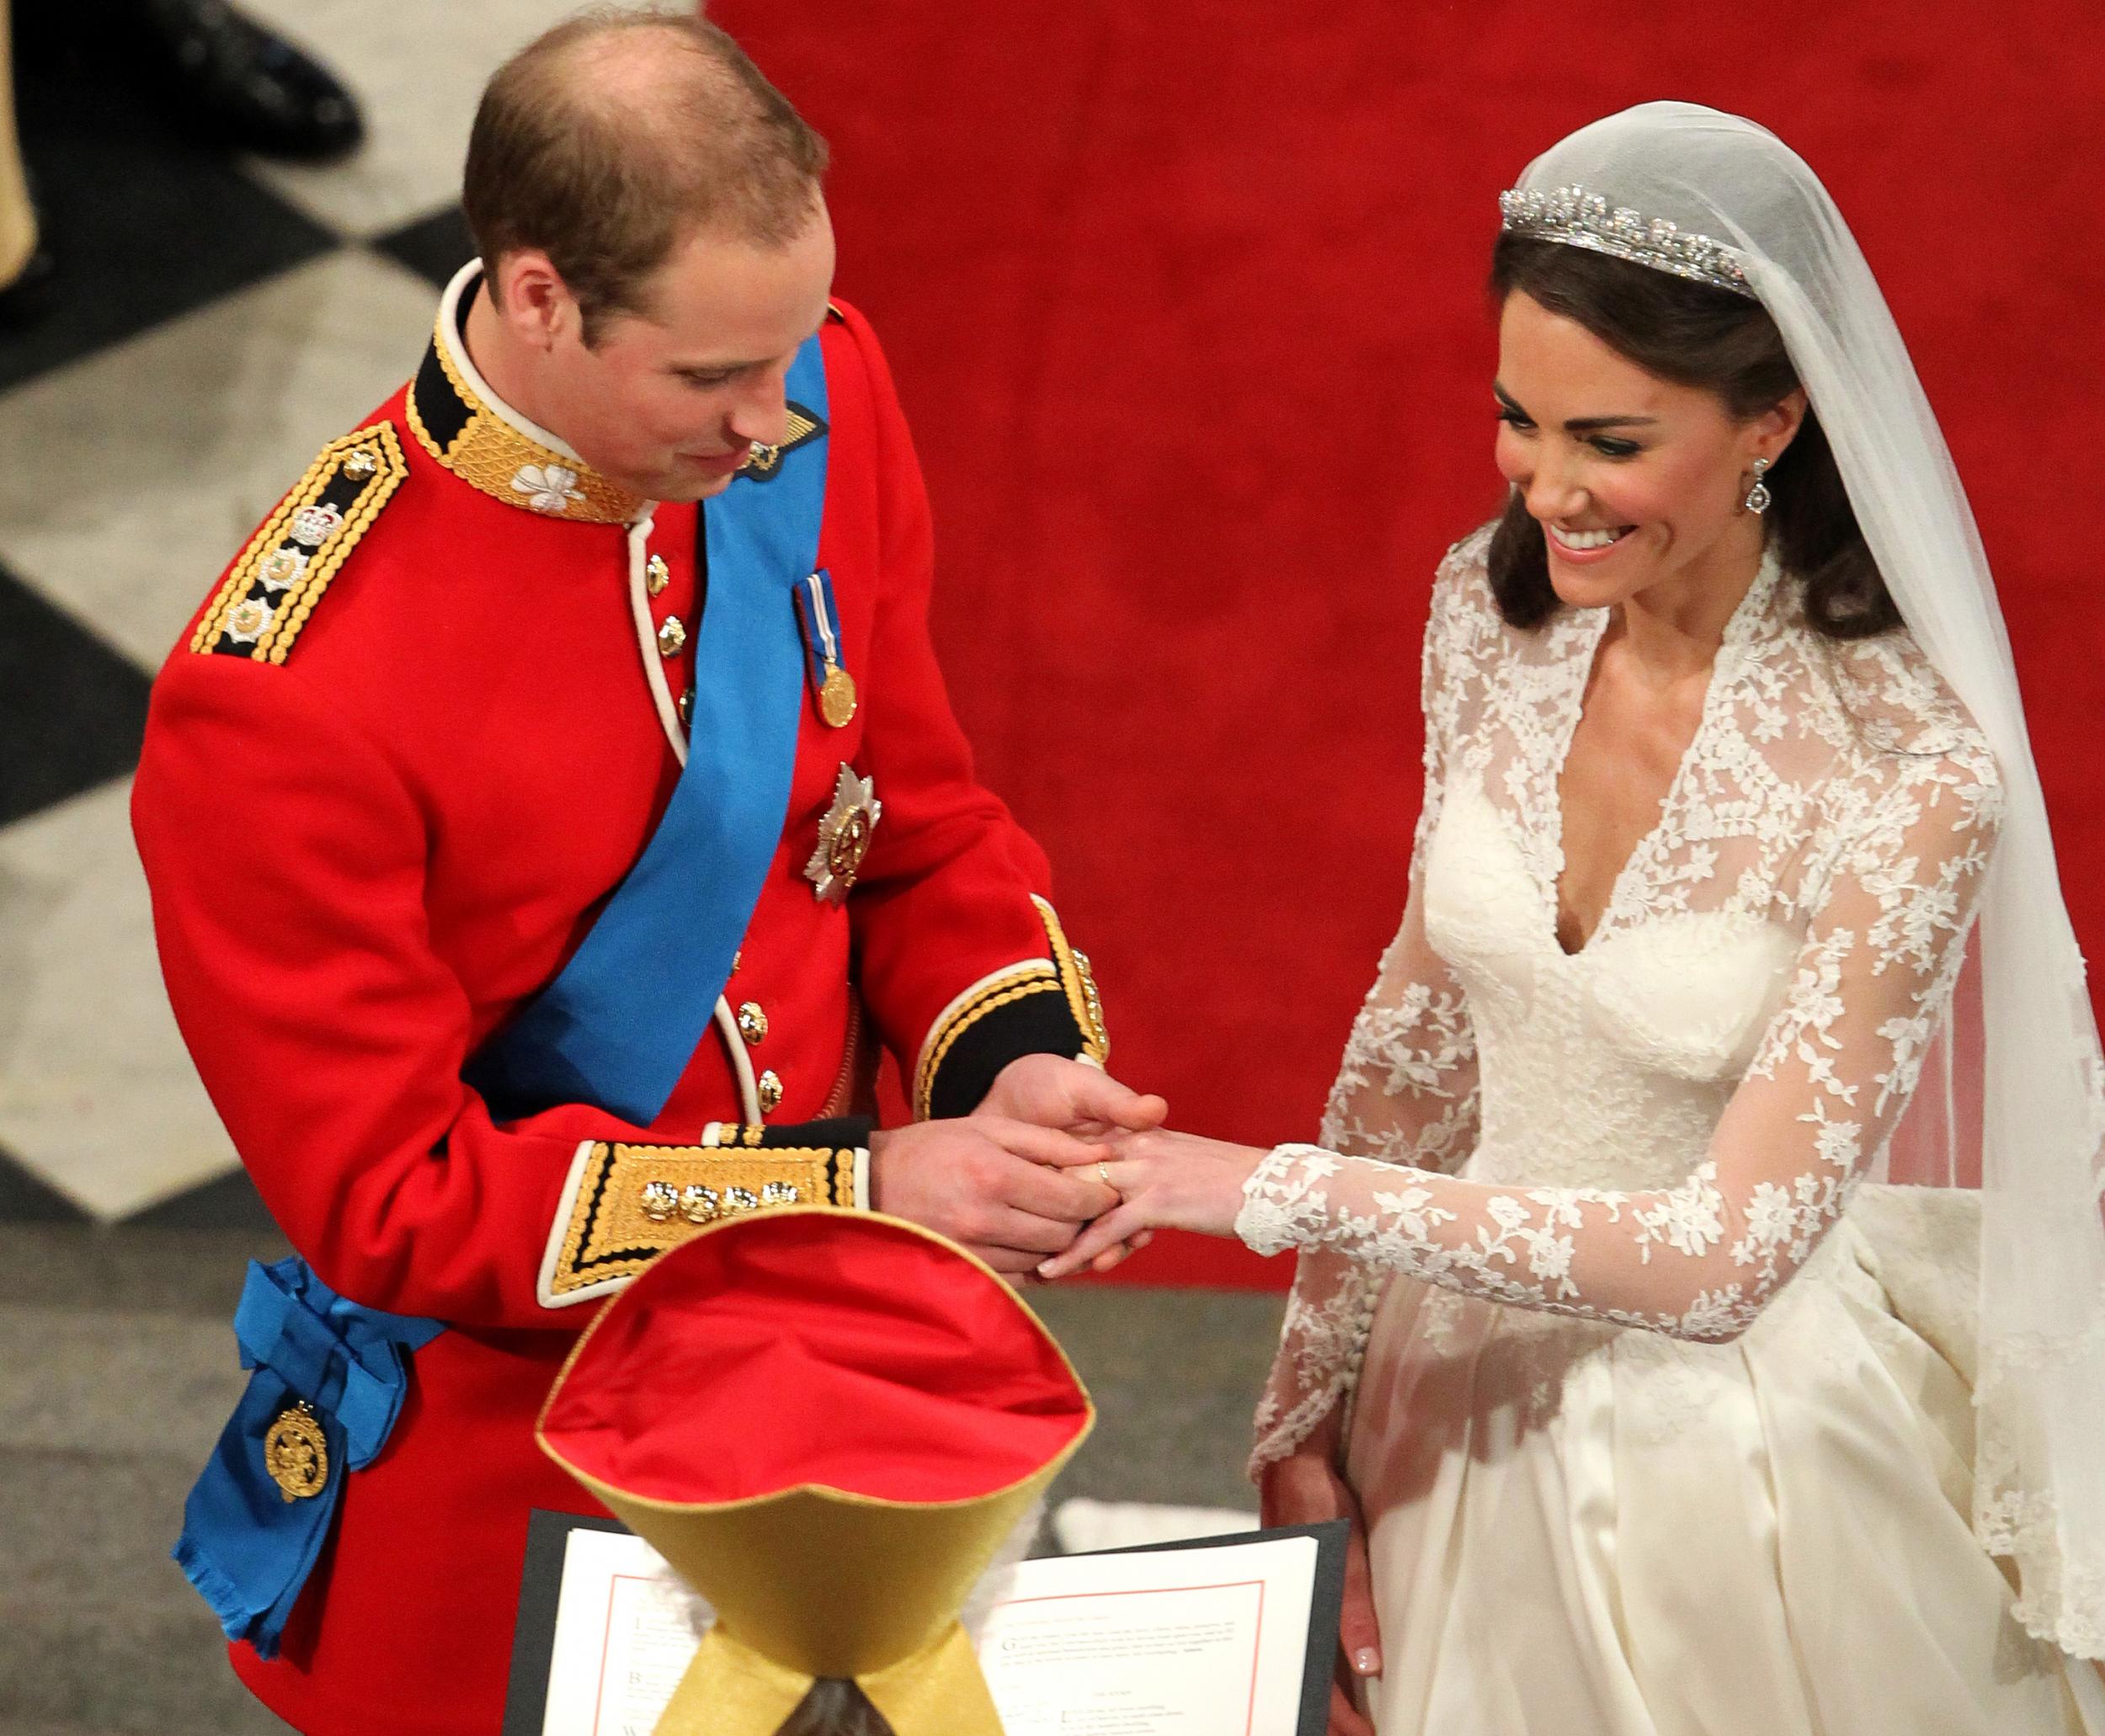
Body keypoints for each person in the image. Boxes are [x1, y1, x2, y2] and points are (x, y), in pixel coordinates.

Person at [133, 12, 1156, 1734]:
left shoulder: (818, 385)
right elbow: (399, 1201)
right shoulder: (283, 695)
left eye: (780, 367)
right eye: (709, 383)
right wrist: (853, 1184)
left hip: (848, 1394)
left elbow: (913, 823)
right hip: (517, 1484)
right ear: (538, 293)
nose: (773, 428)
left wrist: (1007, 1063)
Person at [1043, 103, 2105, 1734]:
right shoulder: (1486, 613)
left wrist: (1252, 1187)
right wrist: (1304, 1398)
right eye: (1513, 419)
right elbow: (1416, 1042)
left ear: (1772, 418)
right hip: (1445, 1391)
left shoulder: (1911, 765)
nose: (1544, 488)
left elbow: (1722, 1259)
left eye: (1607, 439)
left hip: (1730, 1474)